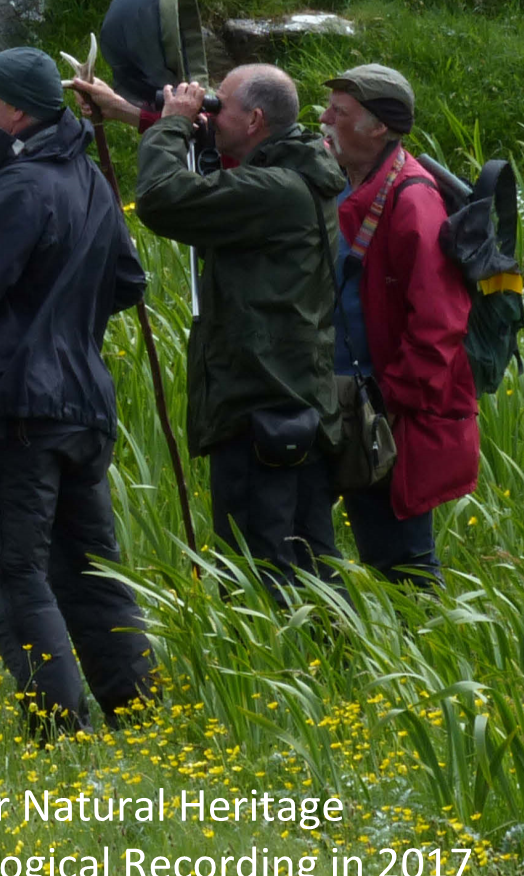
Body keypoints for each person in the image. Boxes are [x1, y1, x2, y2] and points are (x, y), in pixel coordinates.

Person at [0, 47, 157, 735]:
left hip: (17, 403)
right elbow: (129, 283)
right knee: (90, 567)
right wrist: (62, 303)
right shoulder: (85, 180)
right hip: (82, 403)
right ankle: (138, 716)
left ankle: (57, 731)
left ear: (16, 110)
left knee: (14, 571)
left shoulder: (20, 186)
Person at [134, 65, 344, 590]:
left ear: (253, 119)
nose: (207, 111)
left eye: (217, 105)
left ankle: (275, 668)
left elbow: (162, 198)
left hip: (259, 409)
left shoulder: (275, 192)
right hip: (293, 405)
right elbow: (216, 174)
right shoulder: (302, 174)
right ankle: (331, 666)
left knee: (260, 575)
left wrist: (172, 126)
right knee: (310, 566)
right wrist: (142, 114)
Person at [320, 64, 479, 586]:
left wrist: (386, 403)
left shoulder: (413, 200)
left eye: (338, 113)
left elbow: (439, 323)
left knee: (405, 565)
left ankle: (423, 660)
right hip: (354, 404)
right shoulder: (347, 179)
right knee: (368, 549)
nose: (323, 120)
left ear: (378, 128)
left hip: (389, 416)